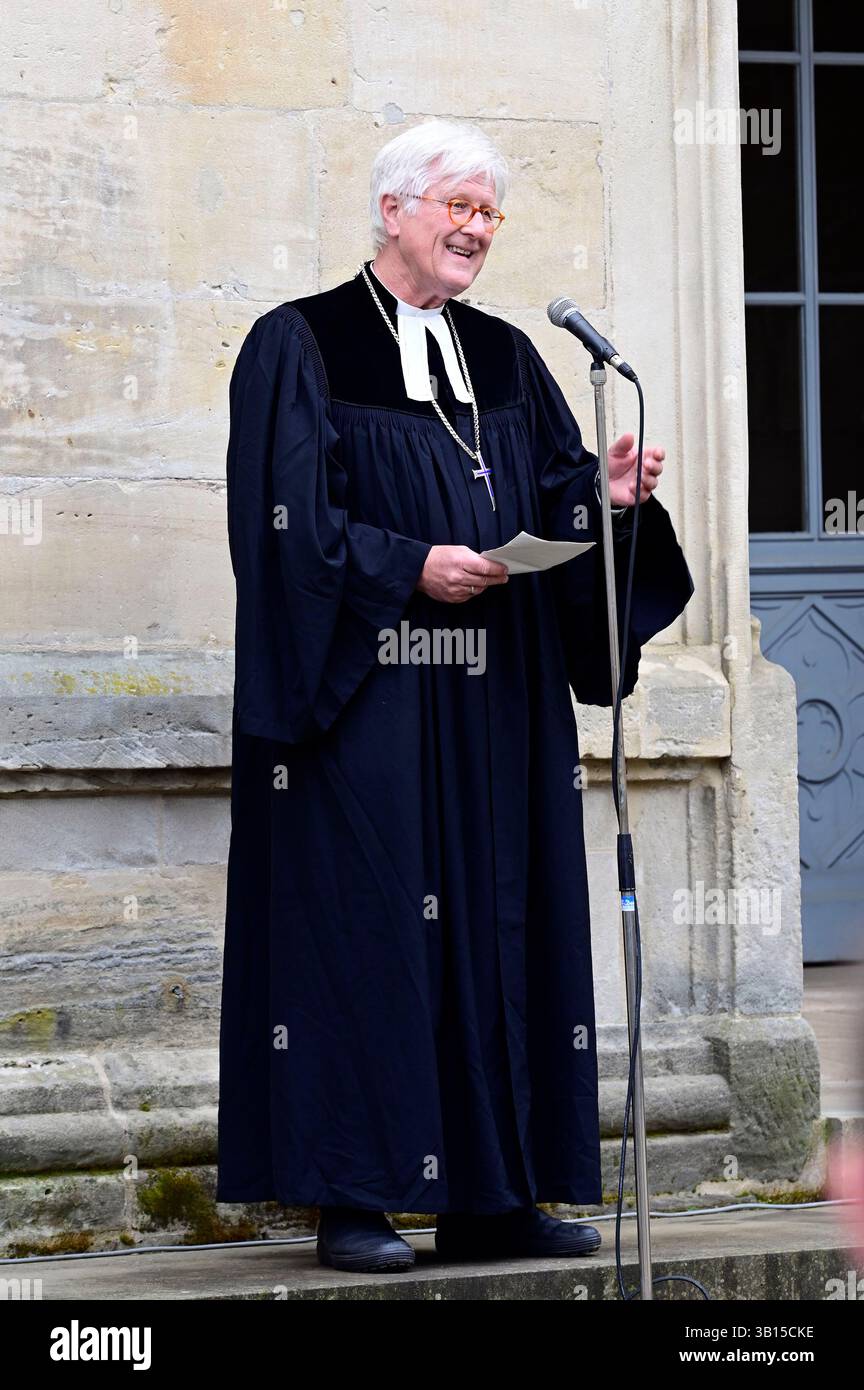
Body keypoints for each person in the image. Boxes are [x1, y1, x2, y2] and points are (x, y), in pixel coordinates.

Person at [215, 118, 694, 1274]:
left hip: (498, 711)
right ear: (393, 210)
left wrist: (609, 502)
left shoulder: (511, 359)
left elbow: (551, 496)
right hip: (367, 710)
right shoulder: (303, 346)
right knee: (369, 934)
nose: (478, 228)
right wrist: (407, 566)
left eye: (490, 213)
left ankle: (496, 1189)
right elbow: (285, 535)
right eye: (458, 207)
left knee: (502, 927)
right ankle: (358, 1195)